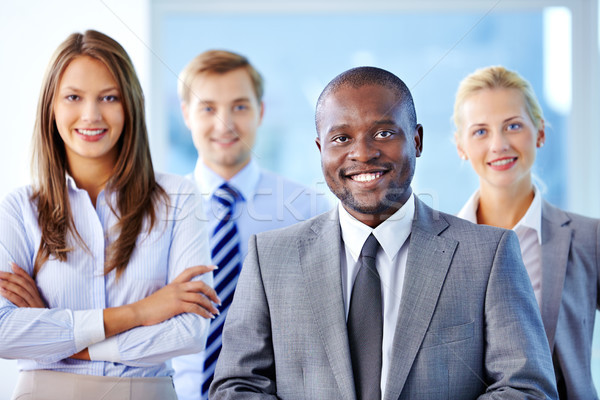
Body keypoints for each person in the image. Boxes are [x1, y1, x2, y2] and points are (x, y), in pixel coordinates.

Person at [209, 66, 559, 399]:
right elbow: (235, 387)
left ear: (417, 141)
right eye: (342, 138)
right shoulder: (270, 258)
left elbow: (527, 388)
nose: (362, 153)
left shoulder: (489, 254)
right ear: (321, 150)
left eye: (384, 133)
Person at [0, 30, 220, 400]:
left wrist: (66, 340)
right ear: (51, 107)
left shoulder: (178, 197)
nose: (91, 115)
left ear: (129, 105)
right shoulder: (19, 209)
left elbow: (189, 331)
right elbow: (4, 332)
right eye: (73, 97)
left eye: (109, 97)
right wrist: (141, 312)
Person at [170, 49, 331, 400]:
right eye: (208, 107)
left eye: (240, 106)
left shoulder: (305, 208)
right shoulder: (157, 210)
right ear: (186, 114)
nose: (225, 123)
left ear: (260, 112)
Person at [452, 65, 600, 399]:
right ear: (460, 146)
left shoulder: (590, 238)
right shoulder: (440, 247)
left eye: (513, 126)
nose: (499, 144)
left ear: (540, 133)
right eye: (480, 132)